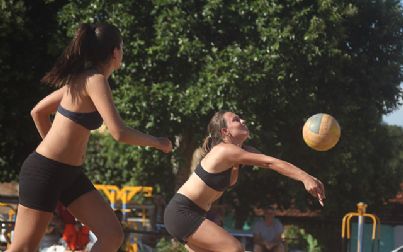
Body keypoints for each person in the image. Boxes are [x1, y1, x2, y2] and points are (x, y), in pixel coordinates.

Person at [7, 23, 172, 252]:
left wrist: (59, 150)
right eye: (122, 47)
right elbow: (119, 132)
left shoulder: (80, 80)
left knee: (112, 235)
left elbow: (38, 112)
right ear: (116, 52)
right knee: (22, 249)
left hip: (71, 175)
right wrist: (157, 142)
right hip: (46, 171)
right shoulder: (94, 80)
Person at [164, 111, 325, 252]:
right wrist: (305, 177)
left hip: (190, 214)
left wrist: (236, 165)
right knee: (234, 248)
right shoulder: (224, 150)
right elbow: (270, 163)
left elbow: (233, 181)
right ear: (225, 131)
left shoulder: (237, 154)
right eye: (236, 120)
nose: (243, 121)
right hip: (182, 213)